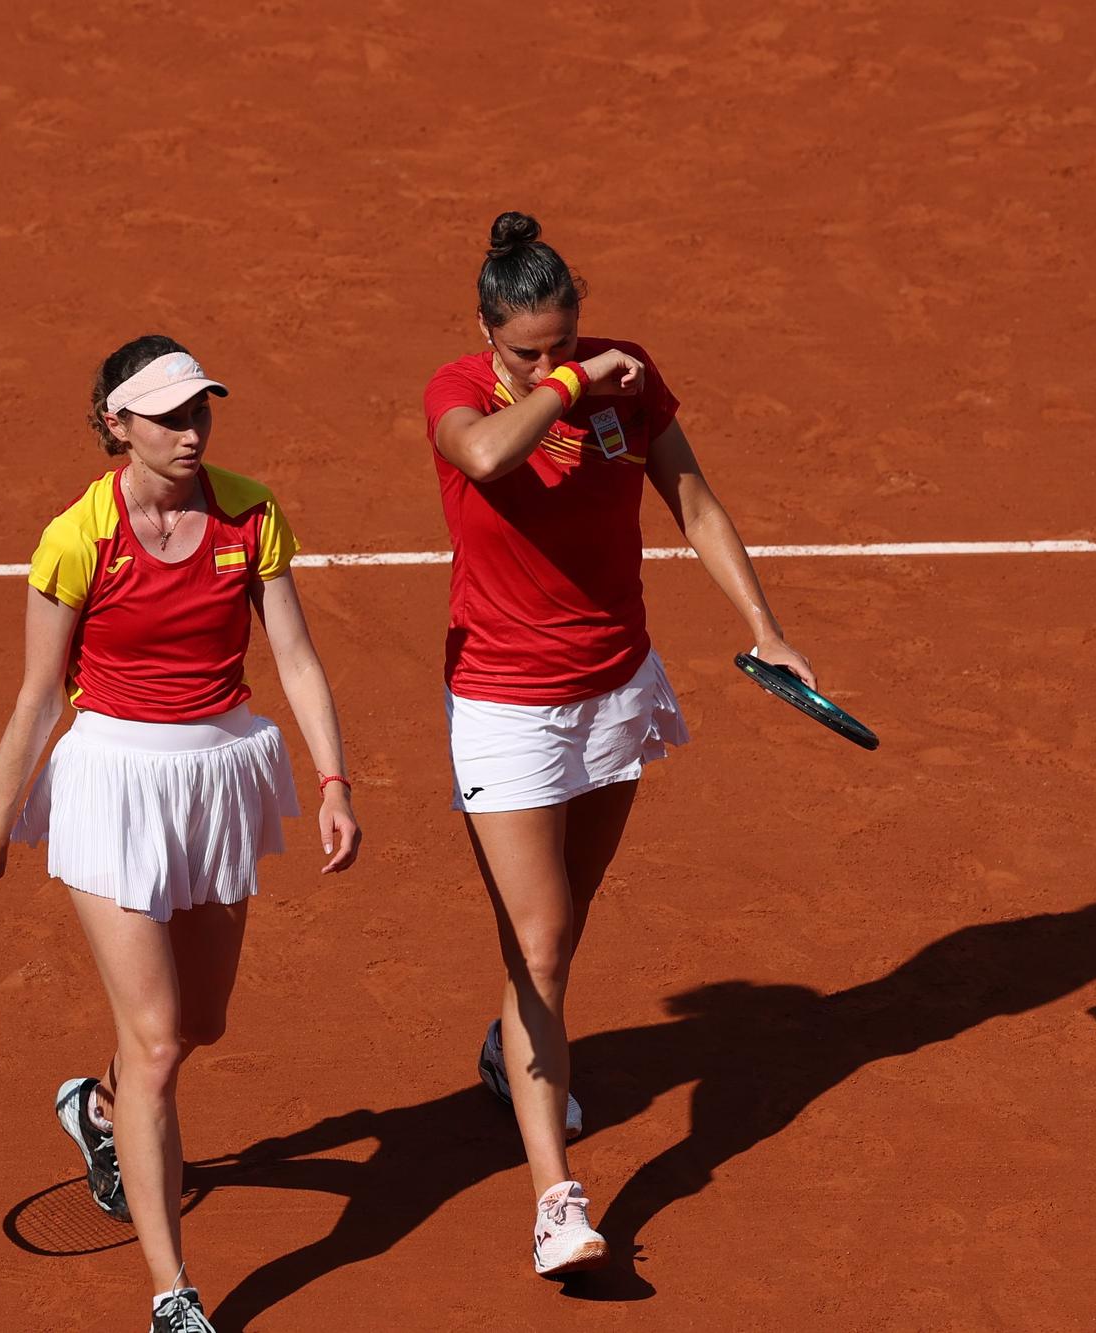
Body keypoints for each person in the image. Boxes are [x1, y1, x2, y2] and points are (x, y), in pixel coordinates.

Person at [422, 212, 819, 1279]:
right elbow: (489, 454)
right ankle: (557, 1201)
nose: (547, 361)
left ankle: (511, 1056)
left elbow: (691, 499)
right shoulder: (460, 392)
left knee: (560, 926)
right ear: (485, 331)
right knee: (540, 942)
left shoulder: (627, 378)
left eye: (562, 340)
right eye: (525, 349)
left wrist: (763, 626)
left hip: (612, 692)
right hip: (506, 707)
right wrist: (568, 384)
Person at [0, 335, 361, 1332]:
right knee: (159, 1041)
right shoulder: (76, 539)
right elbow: (37, 699)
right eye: (169, 415)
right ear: (114, 424)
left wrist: (334, 778)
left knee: (196, 1025)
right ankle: (172, 1293)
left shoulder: (249, 512)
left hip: (219, 775)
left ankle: (95, 1109)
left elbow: (296, 658)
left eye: (200, 411)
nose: (192, 430)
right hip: (111, 786)